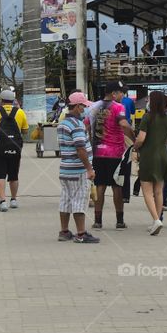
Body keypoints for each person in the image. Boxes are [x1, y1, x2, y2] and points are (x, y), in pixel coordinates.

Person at [133, 89, 167, 235]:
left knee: (147, 191)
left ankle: (156, 220)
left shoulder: (147, 118)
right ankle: (157, 220)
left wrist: (135, 146)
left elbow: (141, 139)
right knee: (159, 191)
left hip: (148, 157)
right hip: (163, 156)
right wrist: (163, 141)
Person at [57, 91, 99, 243]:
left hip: (65, 169)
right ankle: (81, 234)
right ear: (76, 106)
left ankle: (64, 231)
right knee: (79, 201)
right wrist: (89, 168)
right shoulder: (77, 124)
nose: (84, 109)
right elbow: (80, 148)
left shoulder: (62, 123)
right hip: (78, 169)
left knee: (65, 201)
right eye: (83, 106)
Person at [91, 83, 134, 229]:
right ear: (114, 93)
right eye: (122, 93)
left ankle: (98, 221)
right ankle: (119, 220)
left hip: (97, 153)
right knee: (117, 186)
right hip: (115, 153)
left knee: (100, 186)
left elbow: (85, 125)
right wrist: (133, 138)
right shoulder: (118, 107)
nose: (123, 96)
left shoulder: (93, 107)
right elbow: (124, 124)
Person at [0, 87, 29, 211]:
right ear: (13, 100)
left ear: (1, 100)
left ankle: (3, 202)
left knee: (0, 175)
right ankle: (13, 200)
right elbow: (25, 131)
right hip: (15, 148)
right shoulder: (20, 112)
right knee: (14, 175)